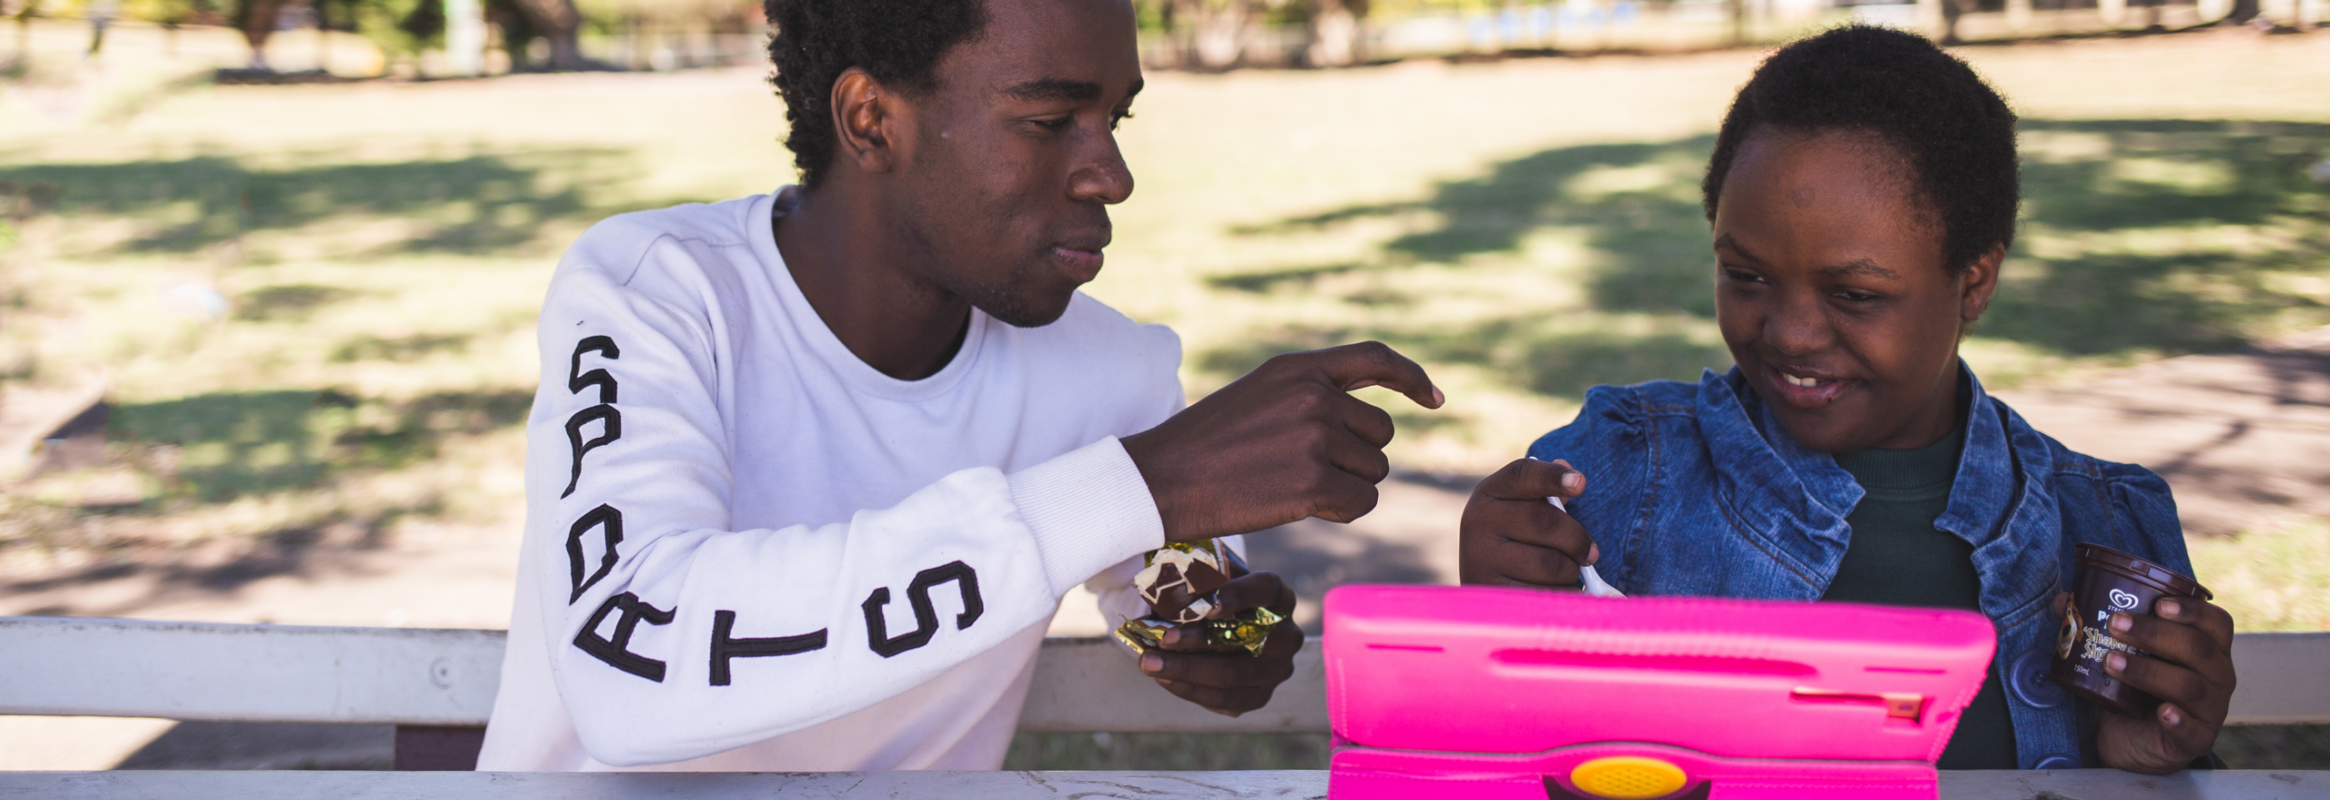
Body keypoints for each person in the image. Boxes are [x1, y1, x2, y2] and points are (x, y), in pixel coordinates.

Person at [476, 0, 1442, 771]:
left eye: (1115, 118)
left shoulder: (1109, 370)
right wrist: (1140, 483)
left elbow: (1193, 606)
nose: (1111, 173)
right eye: (1050, 119)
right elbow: (630, 670)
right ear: (871, 121)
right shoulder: (659, 290)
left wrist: (1231, 635)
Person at [1456, 26, 2235, 775]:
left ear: (1974, 281)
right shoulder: (1615, 474)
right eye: (1748, 276)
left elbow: (2173, 767)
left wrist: (2156, 763)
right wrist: (1492, 625)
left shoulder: (2105, 532)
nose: (1791, 334)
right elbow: (1514, 757)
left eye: (1855, 293)